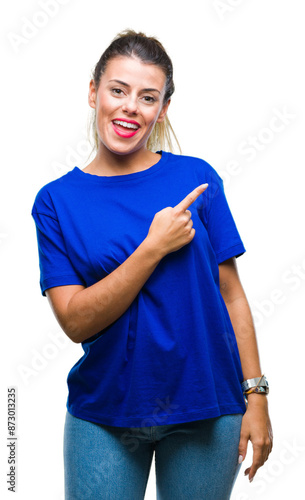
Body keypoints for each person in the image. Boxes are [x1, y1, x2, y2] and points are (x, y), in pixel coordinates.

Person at [31, 29, 273, 500]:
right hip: (102, 415)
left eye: (147, 97)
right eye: (117, 90)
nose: (129, 107)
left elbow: (232, 296)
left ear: (161, 109)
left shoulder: (197, 179)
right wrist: (153, 247)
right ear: (93, 92)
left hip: (208, 407)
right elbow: (76, 320)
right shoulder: (56, 201)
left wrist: (257, 396)